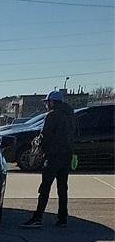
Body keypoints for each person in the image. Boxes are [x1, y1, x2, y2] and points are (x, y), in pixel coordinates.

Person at [20, 90, 75, 228]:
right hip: (67, 155)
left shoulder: (52, 115)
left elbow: (45, 135)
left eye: (47, 102)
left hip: (53, 156)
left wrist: (39, 145)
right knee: (62, 189)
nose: (46, 105)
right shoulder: (70, 115)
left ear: (52, 102)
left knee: (44, 188)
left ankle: (37, 218)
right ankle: (63, 219)